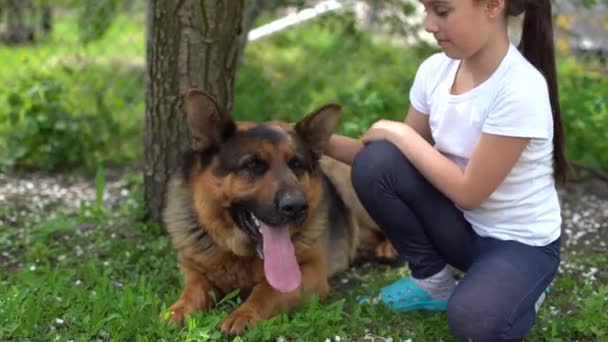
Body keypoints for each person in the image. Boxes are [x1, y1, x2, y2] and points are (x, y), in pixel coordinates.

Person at [324, 0, 567, 341]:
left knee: (474, 322)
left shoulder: (520, 88)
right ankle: (432, 282)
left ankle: (521, 289)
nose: (428, 25)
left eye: (442, 11)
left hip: (519, 245)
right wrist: (305, 137)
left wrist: (401, 132)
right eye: (426, 10)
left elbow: (470, 193)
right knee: (376, 162)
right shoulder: (435, 71)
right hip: (458, 230)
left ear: (493, 6)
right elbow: (386, 159)